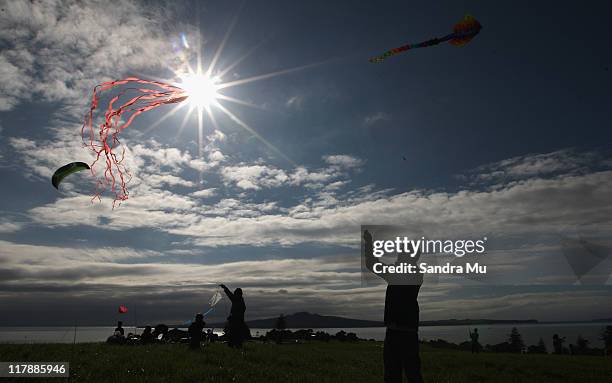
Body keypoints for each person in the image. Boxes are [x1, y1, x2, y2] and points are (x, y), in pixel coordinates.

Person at [364, 229, 423, 383]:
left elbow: (372, 264)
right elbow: (372, 264)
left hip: (399, 333)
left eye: (401, 253)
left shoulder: (405, 273)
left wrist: (369, 244)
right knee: (408, 374)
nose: (398, 255)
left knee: (400, 375)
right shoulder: (413, 273)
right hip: (404, 332)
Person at [220, 283, 249, 348]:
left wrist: (225, 288)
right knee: (236, 336)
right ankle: (236, 347)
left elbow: (230, 296)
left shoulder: (237, 300)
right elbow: (231, 295)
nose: (235, 295)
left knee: (233, 336)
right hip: (238, 322)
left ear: (238, 294)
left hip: (236, 322)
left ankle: (234, 347)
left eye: (236, 293)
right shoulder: (239, 300)